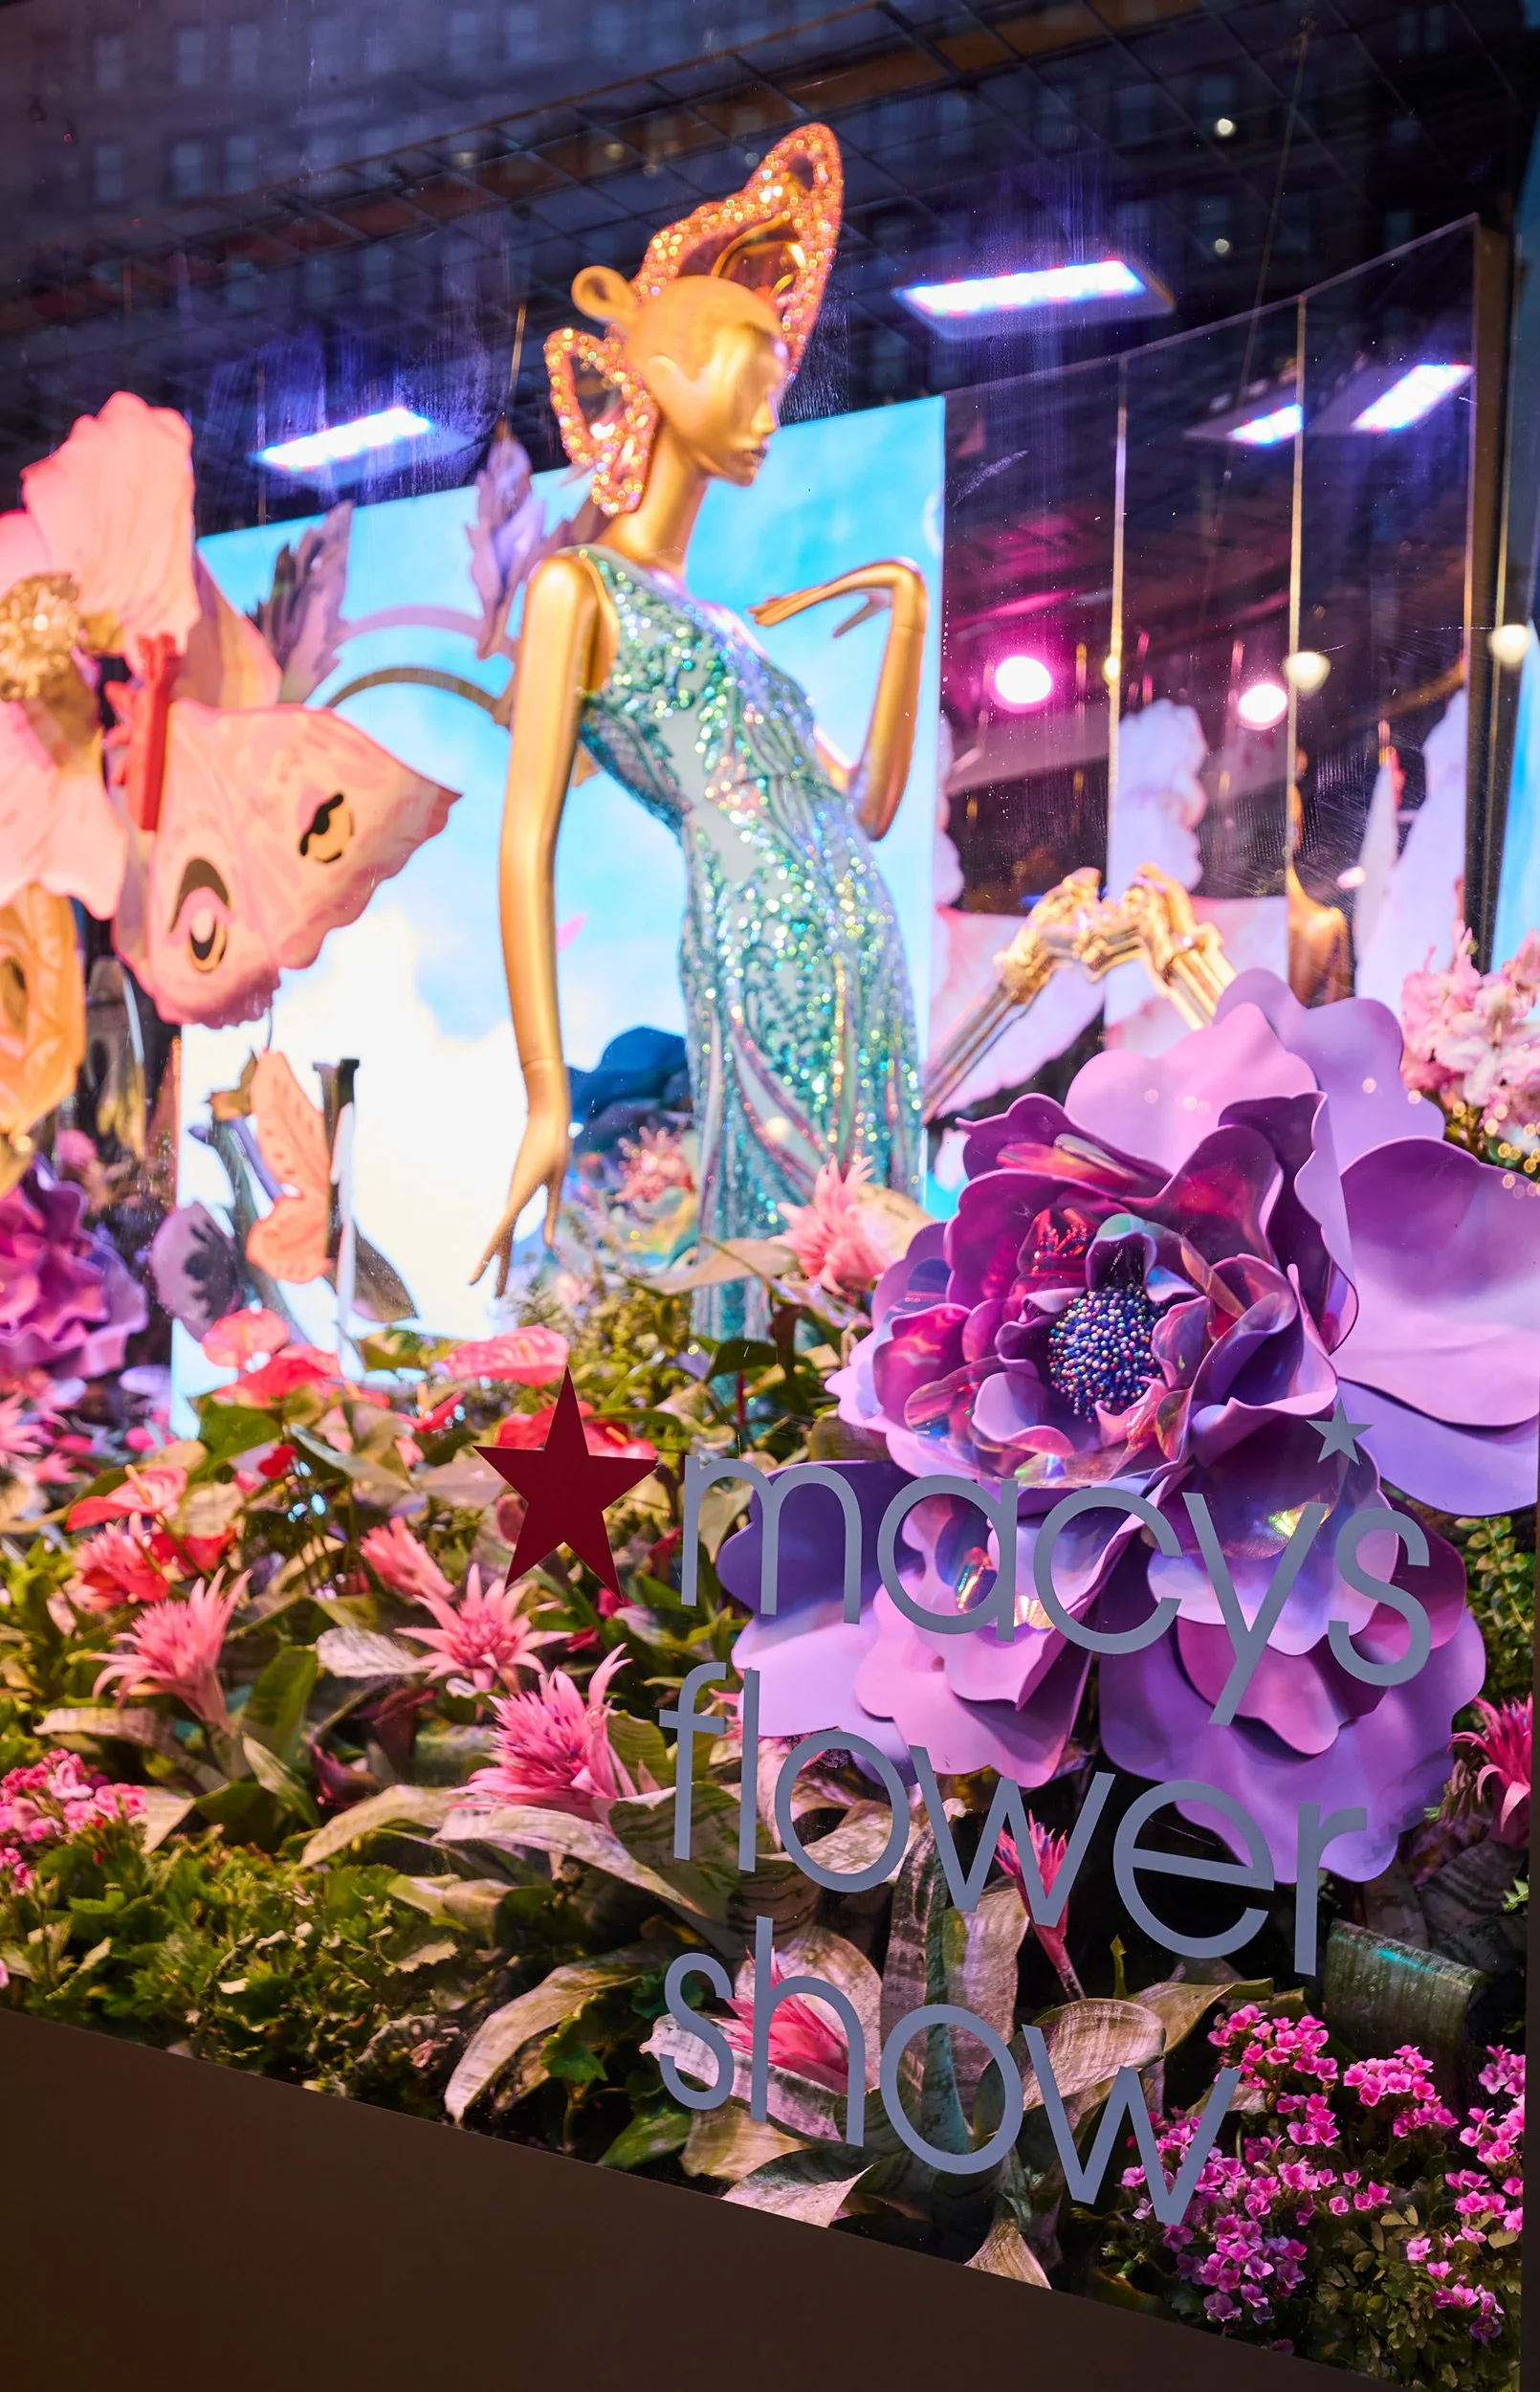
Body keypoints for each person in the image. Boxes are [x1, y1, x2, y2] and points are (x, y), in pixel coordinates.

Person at [473, 125, 926, 1334]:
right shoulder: (577, 592)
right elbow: (524, 847)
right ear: (669, 377)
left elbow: (864, 807)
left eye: (778, 388)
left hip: (862, 950)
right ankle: (773, 1503)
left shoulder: (733, 626)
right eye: (752, 379)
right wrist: (539, 1099)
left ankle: (881, 1488)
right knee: (784, 1257)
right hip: (753, 944)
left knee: (880, 1251)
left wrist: (907, 614)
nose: (770, 413)